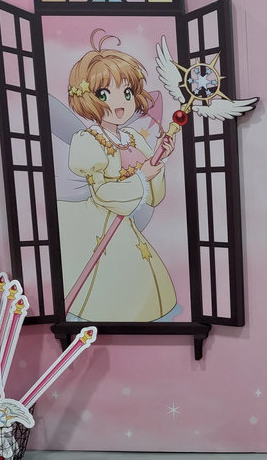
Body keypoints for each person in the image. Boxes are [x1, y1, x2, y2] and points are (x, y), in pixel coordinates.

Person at [57, 30, 177, 321]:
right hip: (100, 224)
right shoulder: (89, 141)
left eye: (127, 93)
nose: (119, 103)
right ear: (87, 98)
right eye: (104, 94)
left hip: (125, 222)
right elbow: (103, 194)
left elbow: (154, 196)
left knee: (138, 271)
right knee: (112, 274)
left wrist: (158, 162)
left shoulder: (134, 138)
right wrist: (141, 177)